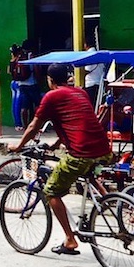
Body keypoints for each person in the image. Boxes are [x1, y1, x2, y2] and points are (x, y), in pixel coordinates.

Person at [7, 64, 112, 255]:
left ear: (50, 80)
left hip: (81, 153)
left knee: (51, 191)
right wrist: (57, 144)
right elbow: (74, 122)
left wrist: (18, 146)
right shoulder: (80, 93)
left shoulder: (51, 96)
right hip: (103, 149)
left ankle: (70, 239)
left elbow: (33, 127)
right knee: (85, 175)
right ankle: (107, 202)